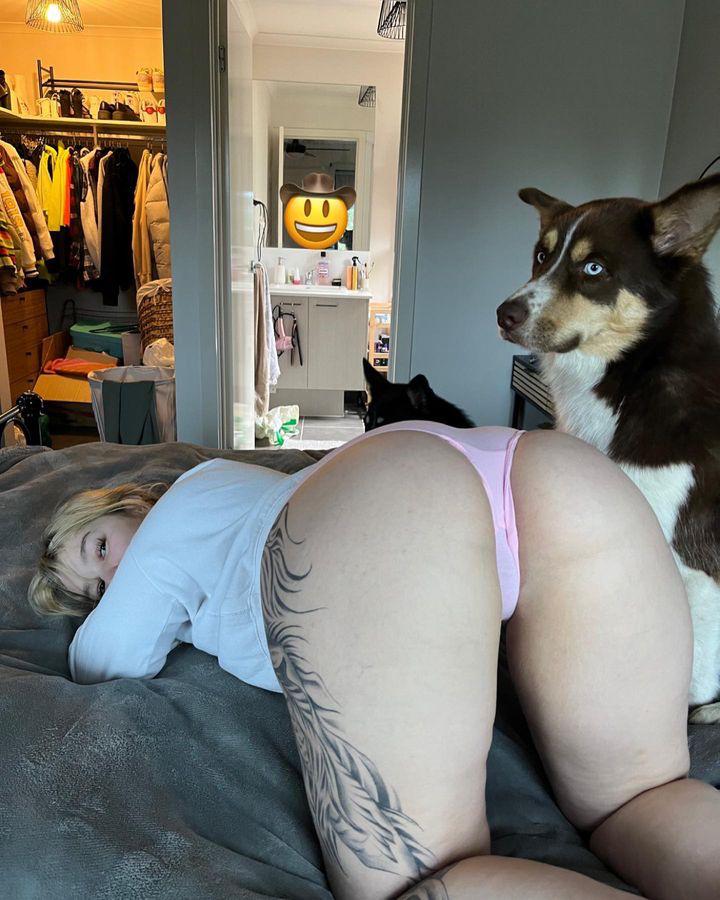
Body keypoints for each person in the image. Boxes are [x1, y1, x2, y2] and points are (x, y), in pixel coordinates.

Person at [29, 422, 720, 899]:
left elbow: (103, 658)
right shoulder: (222, 483)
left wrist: (107, 607)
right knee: (643, 798)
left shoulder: (168, 526)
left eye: (99, 548)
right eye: (95, 594)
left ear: (128, 501)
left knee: (425, 882)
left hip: (388, 505)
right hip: (537, 468)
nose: (114, 580)